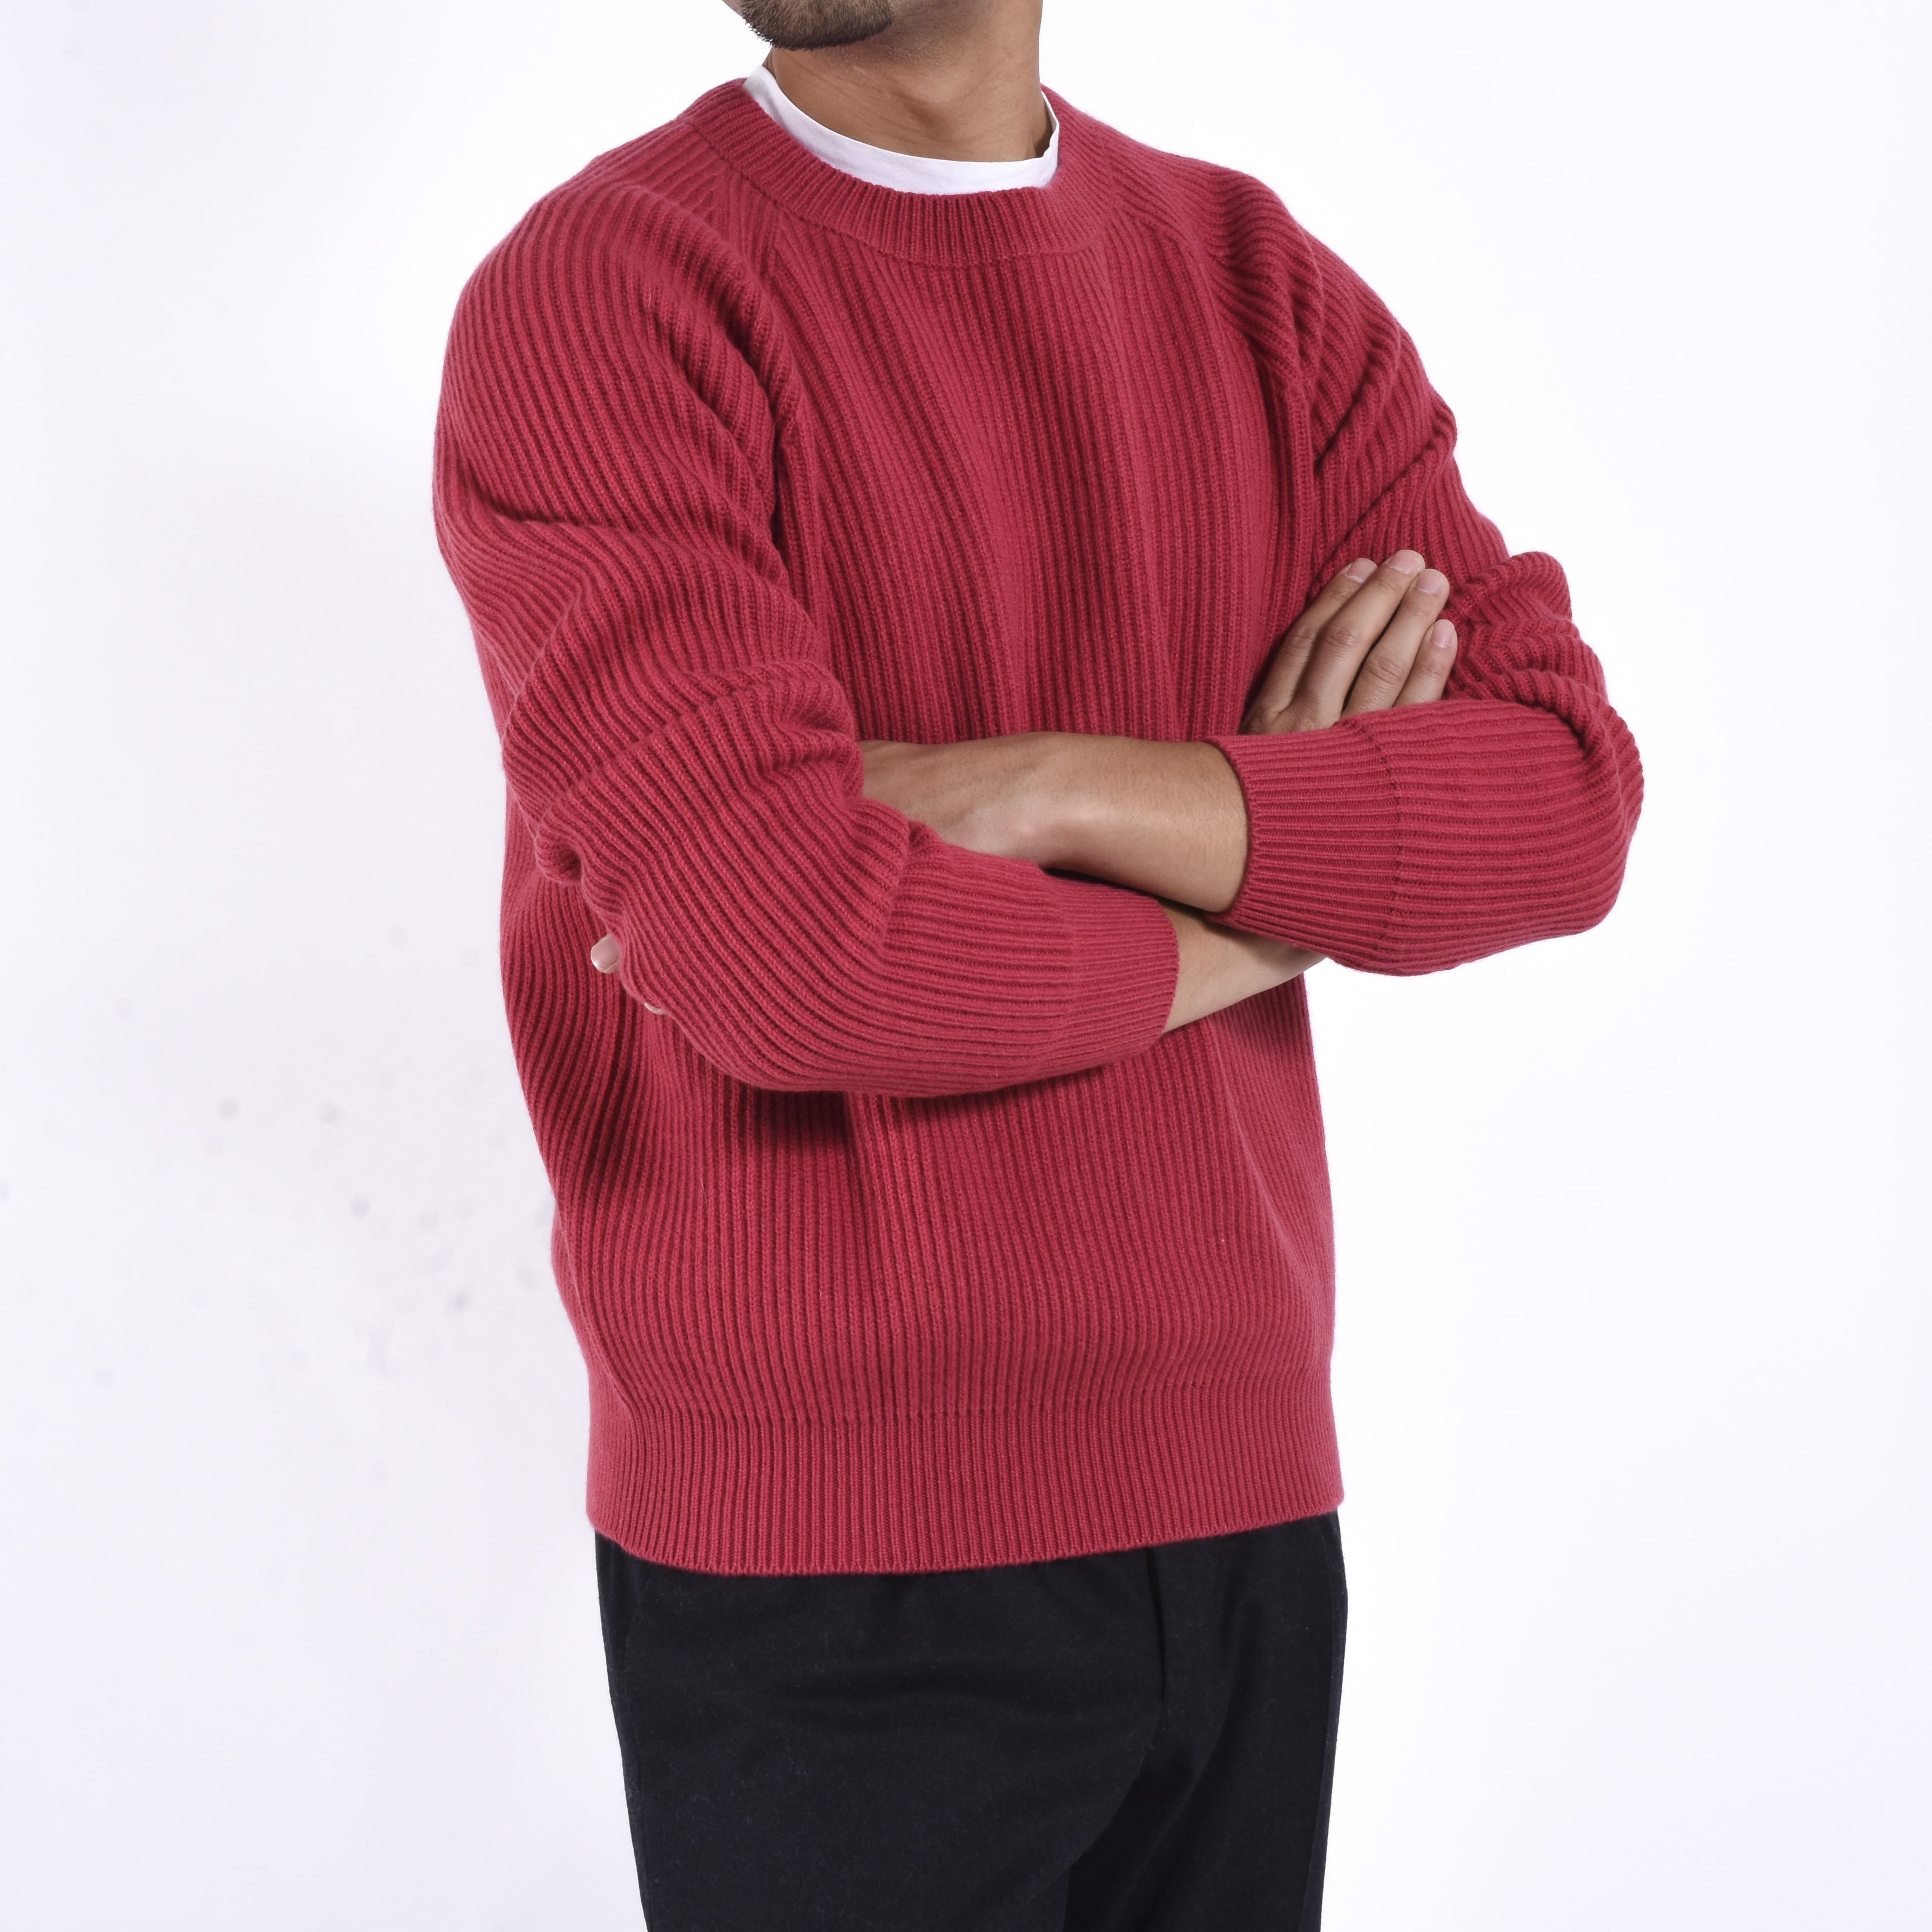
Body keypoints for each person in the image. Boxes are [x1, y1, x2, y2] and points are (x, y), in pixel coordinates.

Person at [432, 0, 1642, 1923]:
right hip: (826, 1555)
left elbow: (1561, 797)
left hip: (1244, 1503)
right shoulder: (608, 296)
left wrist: (1052, 785)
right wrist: (1284, 888)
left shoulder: (1260, 288)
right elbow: (790, 960)